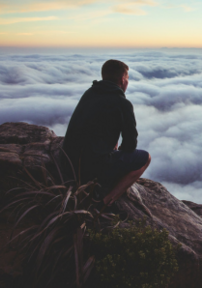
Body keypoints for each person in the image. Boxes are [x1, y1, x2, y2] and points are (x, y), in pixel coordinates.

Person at [63, 59, 151, 208]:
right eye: (127, 79)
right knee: (145, 158)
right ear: (123, 80)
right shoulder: (122, 103)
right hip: (92, 169)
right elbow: (130, 144)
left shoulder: (89, 93)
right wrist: (116, 153)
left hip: (68, 163)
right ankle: (104, 201)